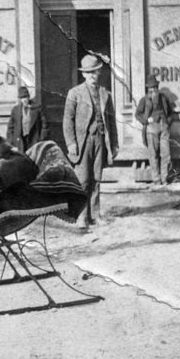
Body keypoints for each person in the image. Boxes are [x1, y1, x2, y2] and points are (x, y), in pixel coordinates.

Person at [63, 53, 118, 229]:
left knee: (96, 179)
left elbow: (112, 121)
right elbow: (67, 121)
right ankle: (81, 216)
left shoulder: (105, 94)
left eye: (95, 71)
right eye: (89, 72)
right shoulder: (75, 93)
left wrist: (114, 144)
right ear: (84, 74)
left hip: (100, 139)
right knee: (83, 180)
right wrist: (71, 144)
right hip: (82, 142)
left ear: (99, 72)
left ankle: (95, 215)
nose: (93, 75)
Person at [135, 73, 174, 186]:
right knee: (153, 155)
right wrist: (146, 121)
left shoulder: (163, 98)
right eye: (151, 88)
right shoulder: (144, 100)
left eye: (155, 87)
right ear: (148, 89)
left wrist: (167, 123)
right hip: (151, 129)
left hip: (164, 128)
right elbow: (137, 114)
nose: (154, 90)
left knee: (166, 154)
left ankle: (164, 179)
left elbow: (171, 113)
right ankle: (156, 180)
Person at [6, 86, 49, 152]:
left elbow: (45, 125)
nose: (24, 100)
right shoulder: (15, 110)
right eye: (22, 98)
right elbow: (10, 128)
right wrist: (11, 144)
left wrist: (41, 140)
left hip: (34, 141)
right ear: (20, 99)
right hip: (20, 142)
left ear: (29, 97)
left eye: (25, 97)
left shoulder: (37, 108)